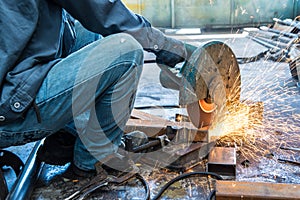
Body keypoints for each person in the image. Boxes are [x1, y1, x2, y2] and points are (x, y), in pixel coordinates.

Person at [0, 0, 195, 180]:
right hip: (9, 112)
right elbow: (103, 10)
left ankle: (68, 137)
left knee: (87, 31)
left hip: (14, 83)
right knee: (126, 51)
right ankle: (93, 160)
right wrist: (174, 49)